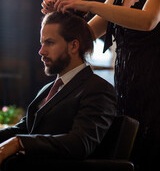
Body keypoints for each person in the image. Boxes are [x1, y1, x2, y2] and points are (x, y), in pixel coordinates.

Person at [41, 0, 160, 170]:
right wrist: (60, 15)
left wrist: (87, 4)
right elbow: (84, 37)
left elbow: (148, 20)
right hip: (126, 94)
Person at [0, 12, 116, 170]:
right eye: (42, 43)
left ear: (73, 46)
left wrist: (19, 142)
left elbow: (80, 143)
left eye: (49, 43)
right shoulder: (47, 88)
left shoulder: (99, 89)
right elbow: (25, 128)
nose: (41, 51)